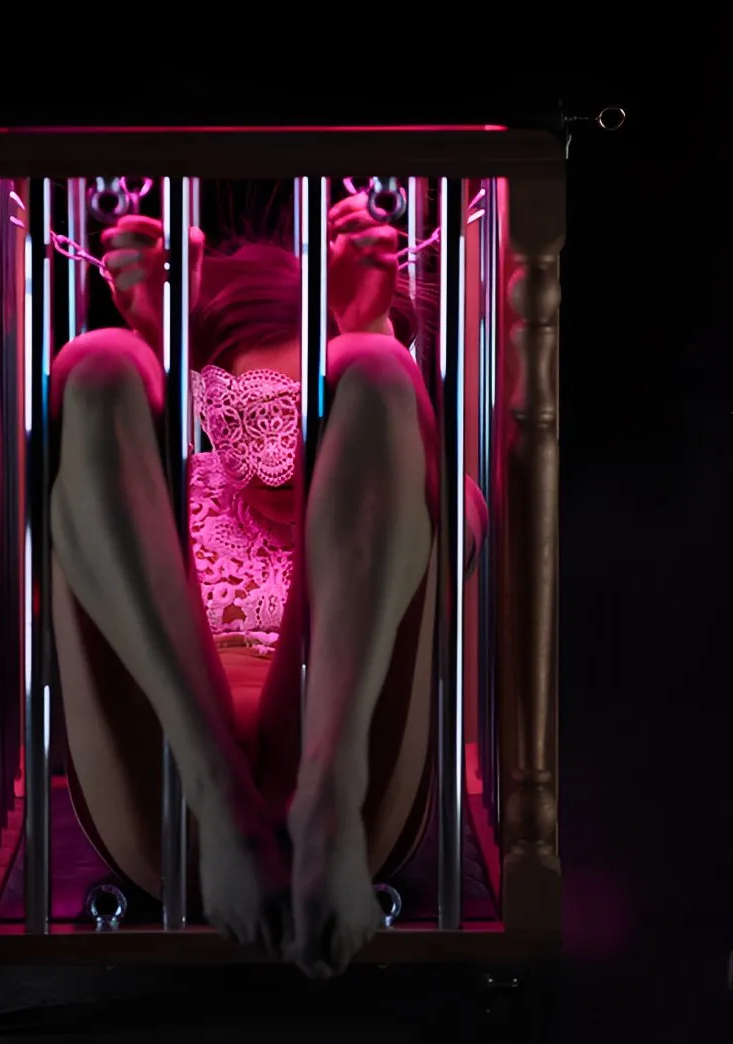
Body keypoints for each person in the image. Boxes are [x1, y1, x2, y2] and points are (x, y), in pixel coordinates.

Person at [48, 194, 488, 977]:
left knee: (379, 369)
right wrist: (154, 342)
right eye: (247, 416)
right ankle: (223, 800)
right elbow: (90, 501)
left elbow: (456, 531)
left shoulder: (399, 492)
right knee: (99, 360)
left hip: (355, 789)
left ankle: (326, 798)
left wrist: (367, 333)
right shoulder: (171, 490)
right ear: (208, 400)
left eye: (306, 417)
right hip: (166, 786)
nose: (278, 455)